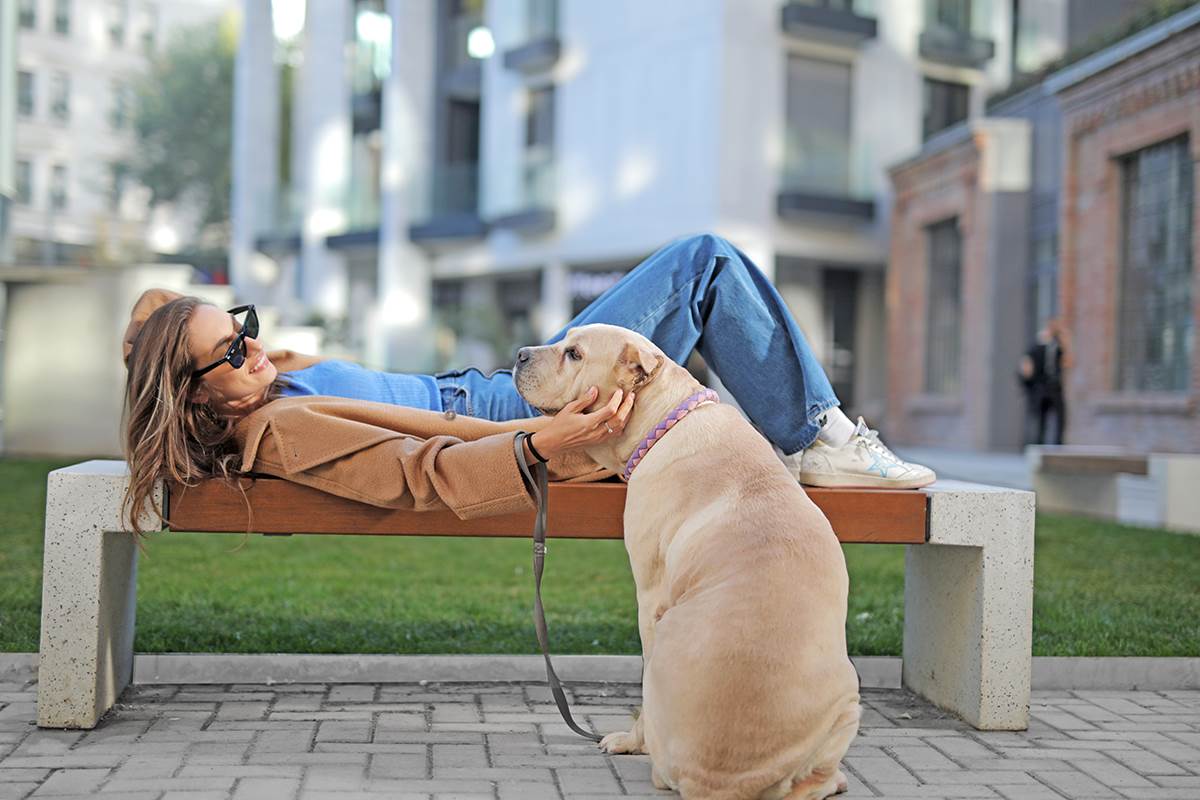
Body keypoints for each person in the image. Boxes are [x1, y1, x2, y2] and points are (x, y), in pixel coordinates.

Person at [120, 234, 933, 542]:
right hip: (515, 417)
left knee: (703, 266)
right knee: (703, 265)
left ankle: (808, 438)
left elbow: (156, 314)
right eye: (231, 353)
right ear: (194, 396)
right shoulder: (282, 428)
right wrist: (548, 439)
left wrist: (181, 346)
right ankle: (817, 439)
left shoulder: (259, 386)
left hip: (496, 397)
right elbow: (421, 474)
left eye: (243, 326)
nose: (252, 347)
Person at [1018, 318, 1071, 445]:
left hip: (1053, 387)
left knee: (1058, 418)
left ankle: (1055, 444)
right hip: (1042, 387)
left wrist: (1066, 341)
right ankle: (1039, 444)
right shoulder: (1036, 348)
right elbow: (1026, 368)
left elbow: (1068, 363)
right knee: (1042, 419)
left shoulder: (1056, 348)